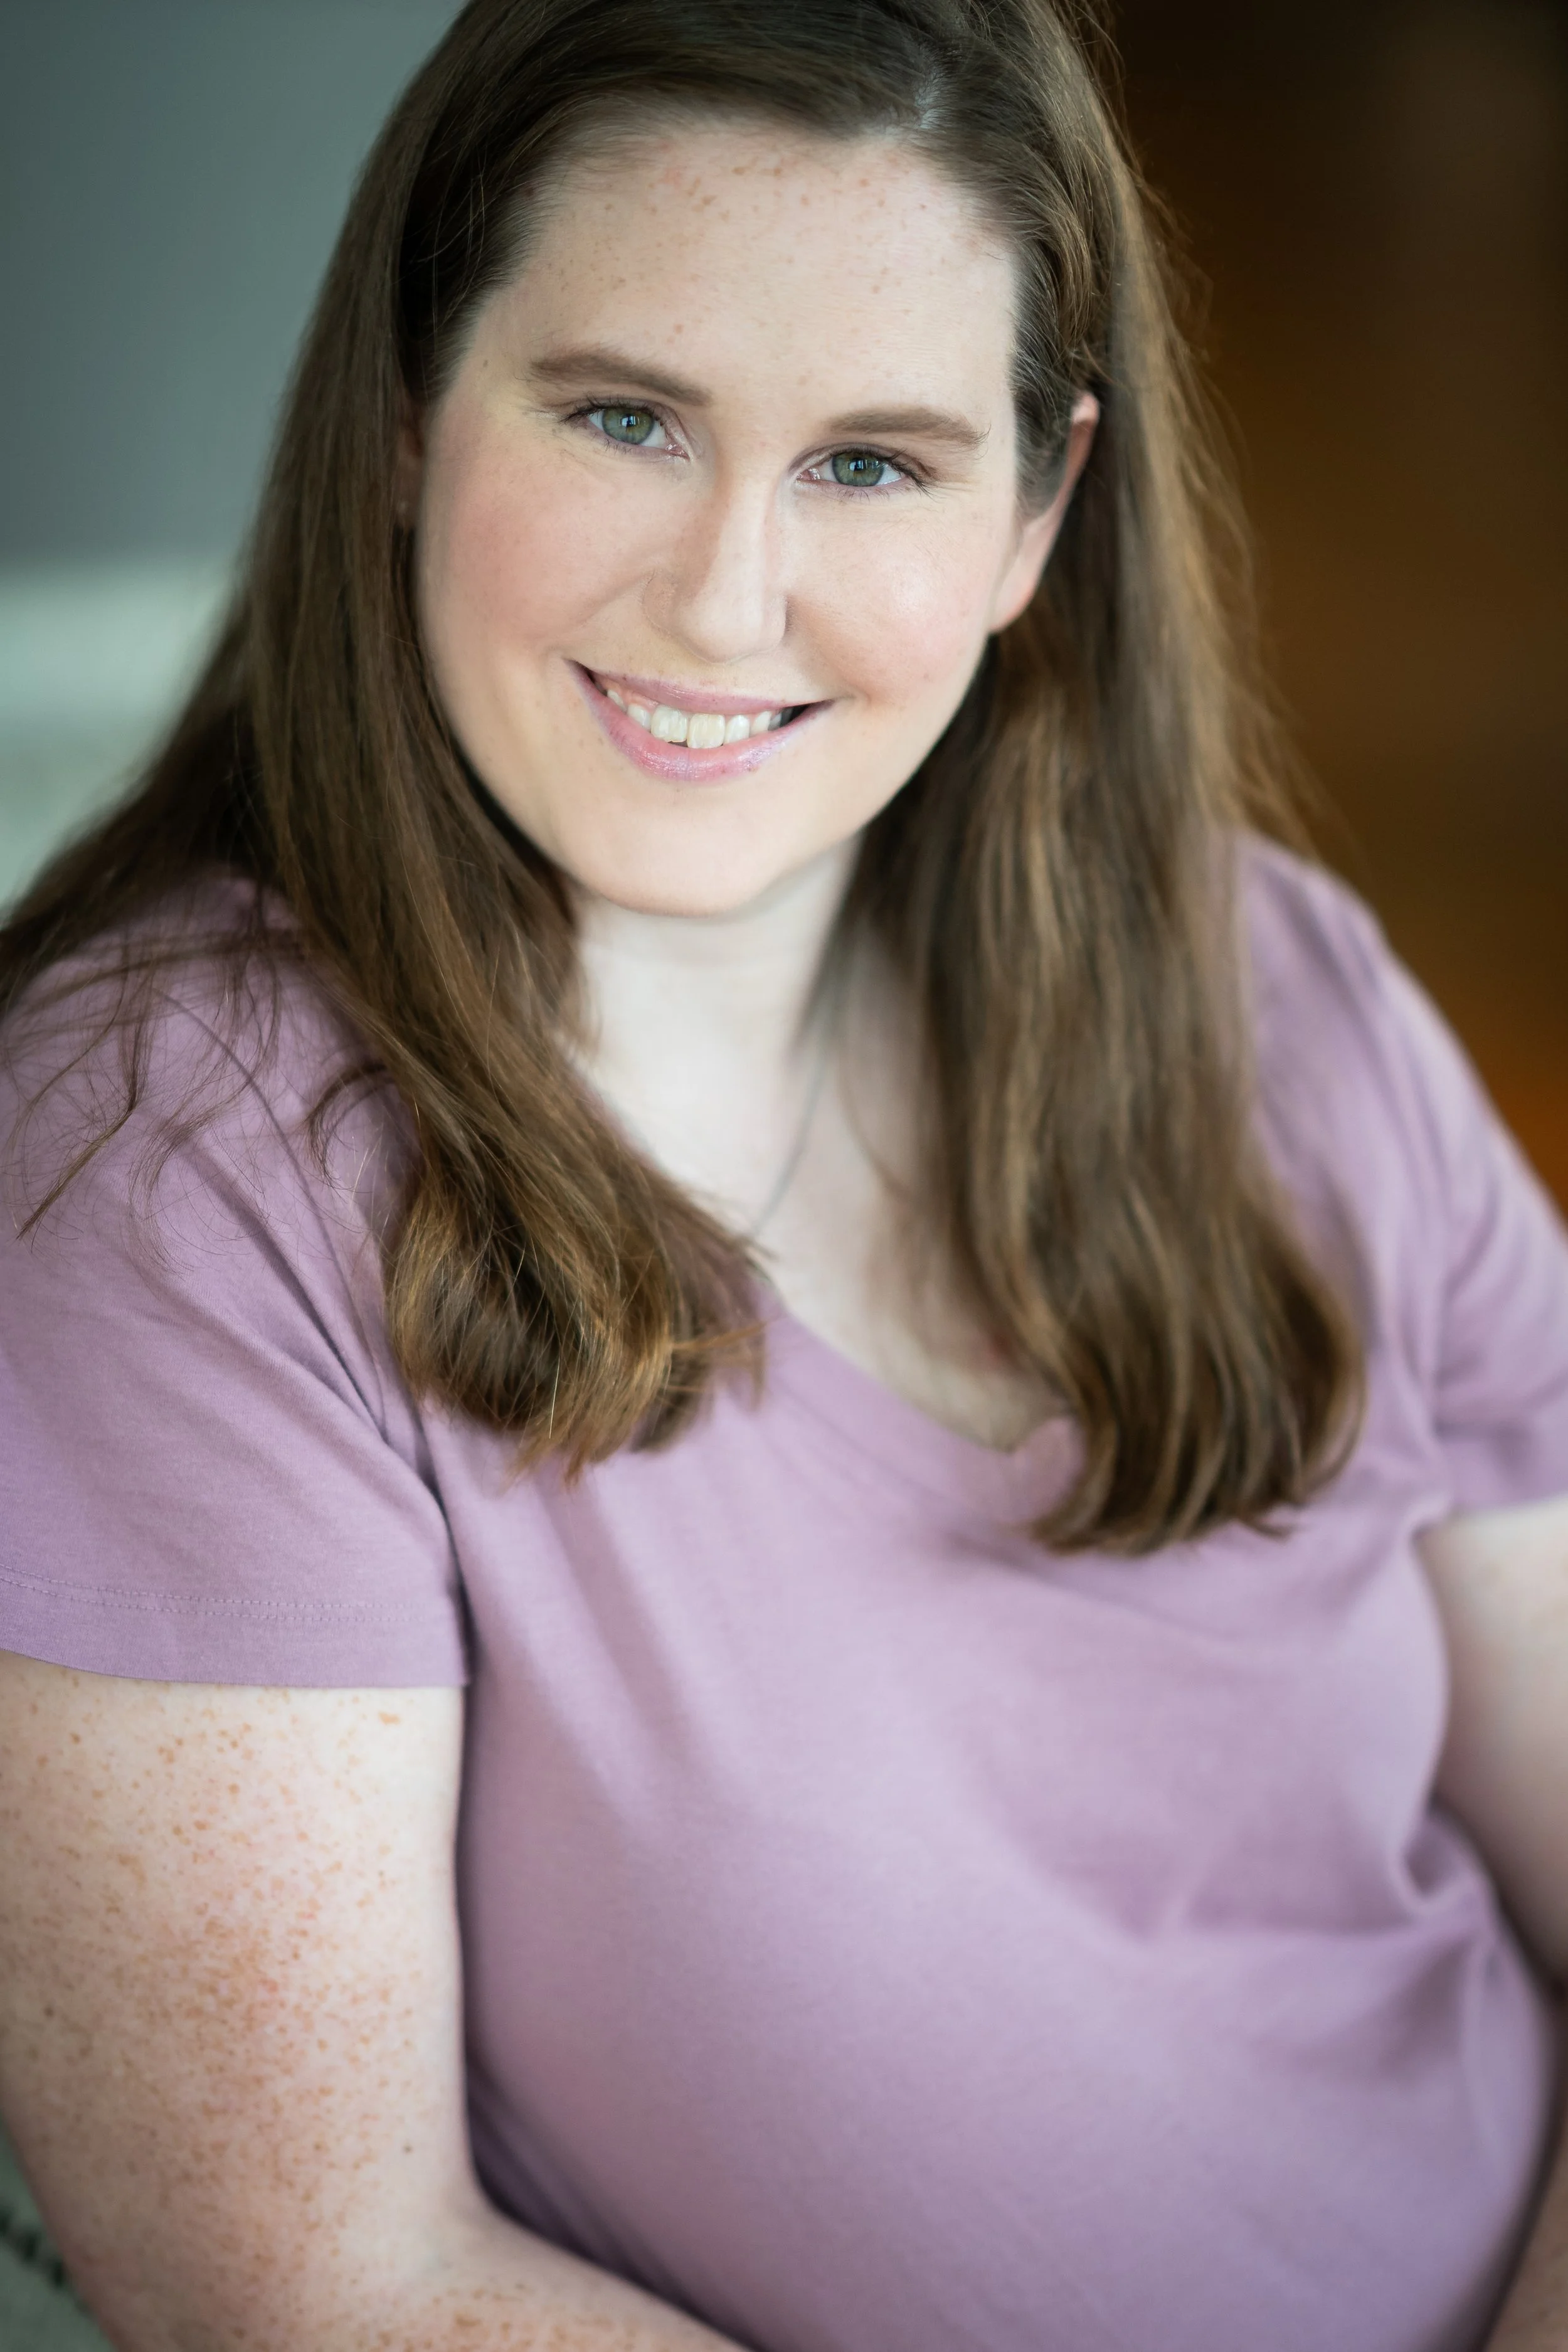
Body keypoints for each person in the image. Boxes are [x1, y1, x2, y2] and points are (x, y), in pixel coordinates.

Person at [1, 1, 1566, 2346]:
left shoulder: (1272, 990)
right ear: (412, 411)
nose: (729, 598)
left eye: (875, 465)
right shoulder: (169, 1170)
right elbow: (323, 2281)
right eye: (625, 415)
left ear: (1038, 513)